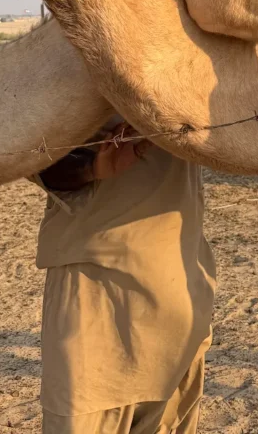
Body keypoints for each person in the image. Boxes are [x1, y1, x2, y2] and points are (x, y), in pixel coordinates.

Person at [33, 117, 216, 434]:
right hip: (96, 298)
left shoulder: (195, 77)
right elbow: (27, 151)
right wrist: (89, 167)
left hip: (176, 287)